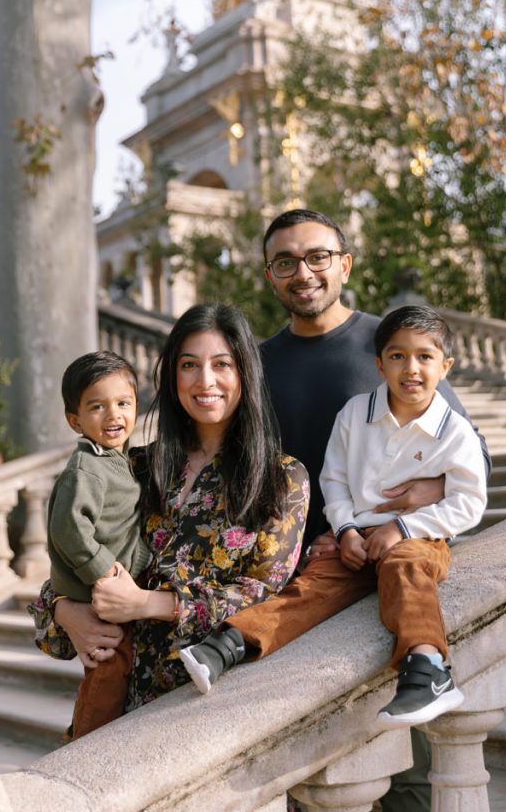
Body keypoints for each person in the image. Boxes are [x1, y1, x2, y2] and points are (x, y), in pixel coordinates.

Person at [179, 209, 490, 812]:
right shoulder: (256, 366)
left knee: (409, 774)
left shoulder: (392, 347)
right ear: (269, 275)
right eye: (286, 261)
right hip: (305, 573)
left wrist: (409, 508)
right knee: (312, 778)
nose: (304, 272)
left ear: (344, 264)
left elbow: (471, 458)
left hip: (392, 570)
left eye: (319, 256)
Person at [29, 303, 309, 734]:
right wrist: (67, 612)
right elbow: (70, 559)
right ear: (171, 376)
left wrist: (149, 604)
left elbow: (265, 597)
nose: (205, 381)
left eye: (222, 364)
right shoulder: (136, 467)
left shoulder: (281, 478)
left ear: (245, 374)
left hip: (211, 708)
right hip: (119, 706)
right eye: (189, 365)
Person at [319, 304, 486, 726]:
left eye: (425, 357)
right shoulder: (356, 414)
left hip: (423, 536)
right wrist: (346, 530)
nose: (411, 368)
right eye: (398, 356)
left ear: (445, 366)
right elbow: (333, 478)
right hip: (357, 535)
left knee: (407, 566)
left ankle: (429, 667)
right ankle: (235, 640)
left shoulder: (454, 430)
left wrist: (404, 526)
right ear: (380, 364)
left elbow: (469, 502)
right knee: (312, 583)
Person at [43, 350, 151, 733]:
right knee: (107, 668)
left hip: (109, 589)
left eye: (123, 403)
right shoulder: (86, 468)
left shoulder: (115, 460)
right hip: (95, 595)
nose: (113, 415)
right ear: (75, 420)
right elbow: (68, 529)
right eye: (97, 407)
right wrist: (103, 571)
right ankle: (84, 747)